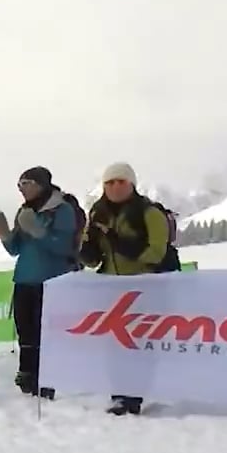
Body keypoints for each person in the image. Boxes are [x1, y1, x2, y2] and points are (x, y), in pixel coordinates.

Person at [79, 162, 171, 415]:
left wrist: (115, 239)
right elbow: (94, 260)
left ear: (132, 184)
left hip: (144, 288)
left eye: (121, 182)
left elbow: (155, 253)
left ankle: (134, 396)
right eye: (109, 183)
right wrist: (87, 246)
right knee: (114, 344)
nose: (115, 187)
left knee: (139, 343)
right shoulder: (98, 213)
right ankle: (119, 394)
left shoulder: (149, 213)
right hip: (111, 289)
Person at [0, 167, 81, 400]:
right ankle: (27, 373)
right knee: (25, 329)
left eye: (26, 184)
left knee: (45, 331)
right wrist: (5, 234)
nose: (22, 190)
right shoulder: (25, 211)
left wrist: (39, 233)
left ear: (41, 184)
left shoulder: (62, 210)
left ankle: (47, 377)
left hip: (52, 279)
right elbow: (16, 249)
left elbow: (65, 247)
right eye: (20, 185)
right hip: (24, 278)